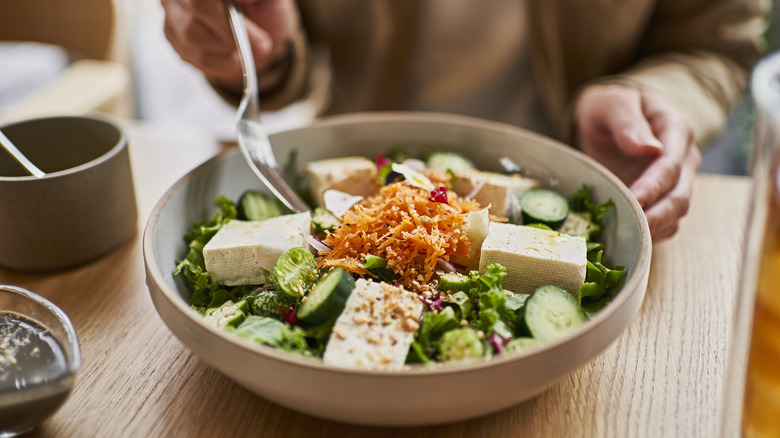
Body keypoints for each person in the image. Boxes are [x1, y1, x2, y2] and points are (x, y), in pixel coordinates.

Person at [161, 0, 769, 242]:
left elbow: (715, 43)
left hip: (574, 166)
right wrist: (256, 47)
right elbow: (286, 45)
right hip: (354, 155)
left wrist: (644, 95)